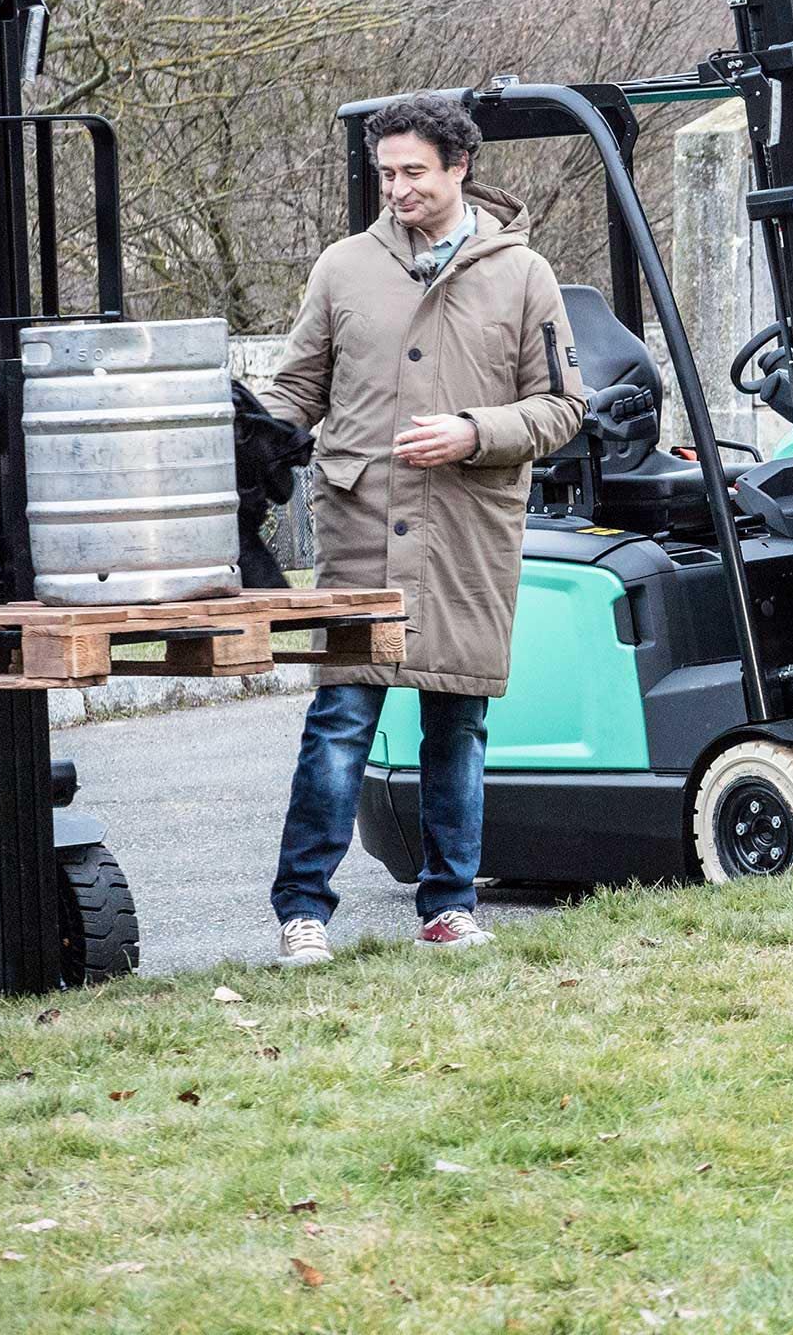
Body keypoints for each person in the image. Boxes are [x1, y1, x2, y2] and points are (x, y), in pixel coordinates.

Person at [261, 93, 585, 965]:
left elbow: (562, 407)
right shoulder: (342, 268)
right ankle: (303, 912)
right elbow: (297, 393)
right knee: (339, 722)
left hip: (466, 533)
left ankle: (448, 905)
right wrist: (245, 441)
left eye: (413, 172)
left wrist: (476, 432)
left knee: (457, 728)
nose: (397, 188)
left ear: (459, 168)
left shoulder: (524, 276)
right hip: (361, 528)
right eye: (386, 173)